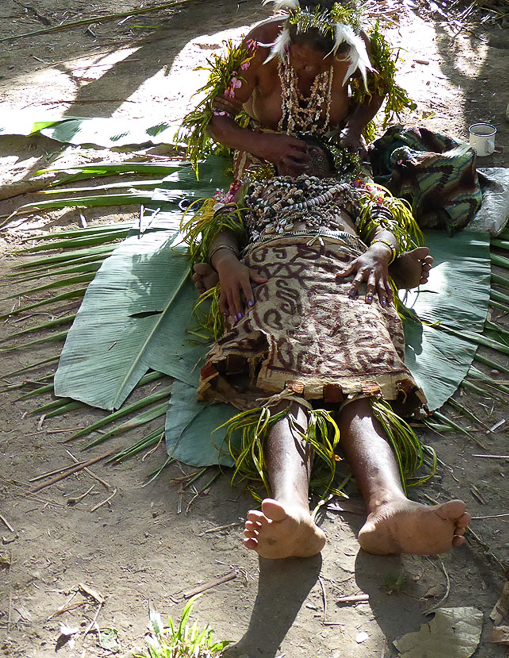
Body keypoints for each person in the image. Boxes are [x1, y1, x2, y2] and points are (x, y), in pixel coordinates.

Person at [183, 141, 471, 560]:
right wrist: (225, 263)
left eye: (314, 151)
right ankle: (292, 508)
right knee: (283, 377)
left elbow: (384, 224)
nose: (299, 154)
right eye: (288, 150)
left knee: (364, 378)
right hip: (270, 272)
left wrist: (380, 254)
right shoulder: (252, 192)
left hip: (348, 274)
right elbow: (223, 231)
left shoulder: (351, 190)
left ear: (332, 163)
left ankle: (389, 506)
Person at [180, 0, 414, 175]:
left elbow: (376, 88)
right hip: (263, 149)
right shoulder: (259, 47)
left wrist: (354, 129)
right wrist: (260, 144)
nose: (310, 70)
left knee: (361, 203)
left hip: (335, 146)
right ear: (287, 40)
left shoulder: (354, 48)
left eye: (323, 65)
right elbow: (216, 119)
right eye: (302, 60)